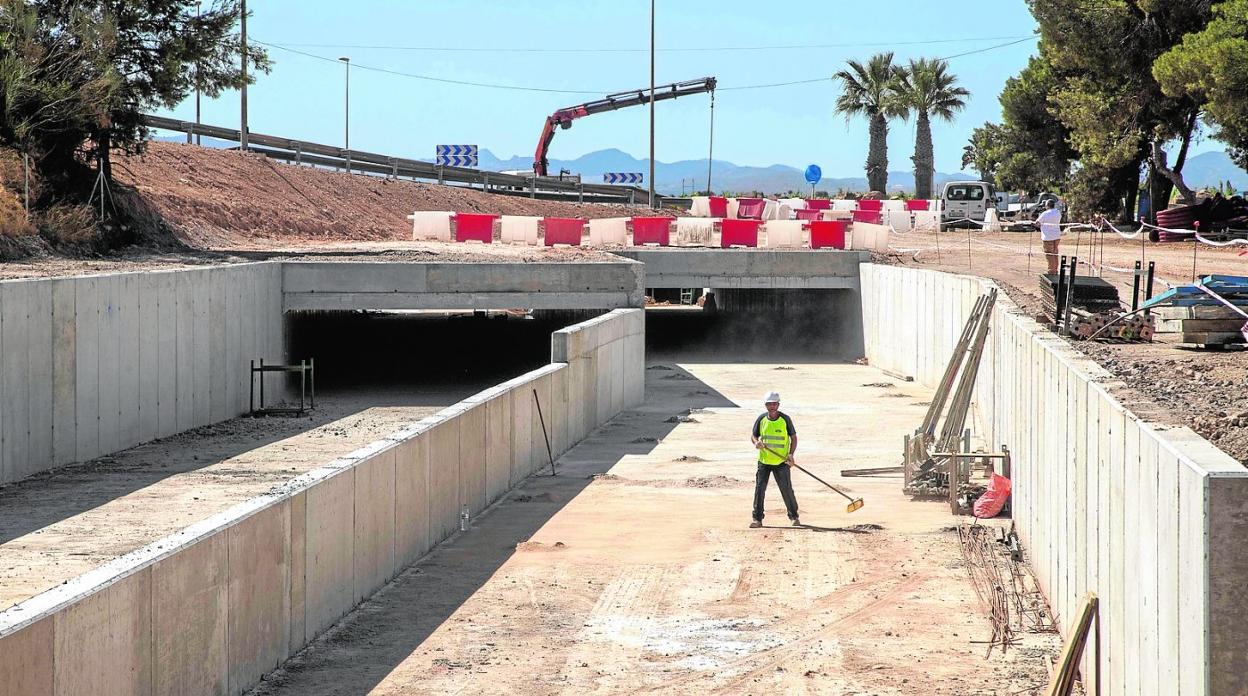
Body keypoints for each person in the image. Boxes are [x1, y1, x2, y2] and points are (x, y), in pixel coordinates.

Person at [750, 391, 799, 527]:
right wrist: (756, 443)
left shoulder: (785, 419)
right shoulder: (761, 419)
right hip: (764, 461)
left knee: (786, 489)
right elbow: (753, 436)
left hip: (782, 462)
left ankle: (794, 517)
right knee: (760, 489)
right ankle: (757, 519)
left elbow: (793, 438)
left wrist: (791, 455)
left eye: (774, 404)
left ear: (778, 405)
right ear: (765, 405)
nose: (772, 407)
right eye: (769, 404)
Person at [1037, 198, 1063, 274]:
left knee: (1049, 254)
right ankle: (1055, 270)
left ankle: (1051, 271)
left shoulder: (1045, 213)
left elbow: (1037, 223)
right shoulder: (1058, 212)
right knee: (1055, 253)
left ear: (1047, 205)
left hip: (1048, 237)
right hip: (1056, 236)